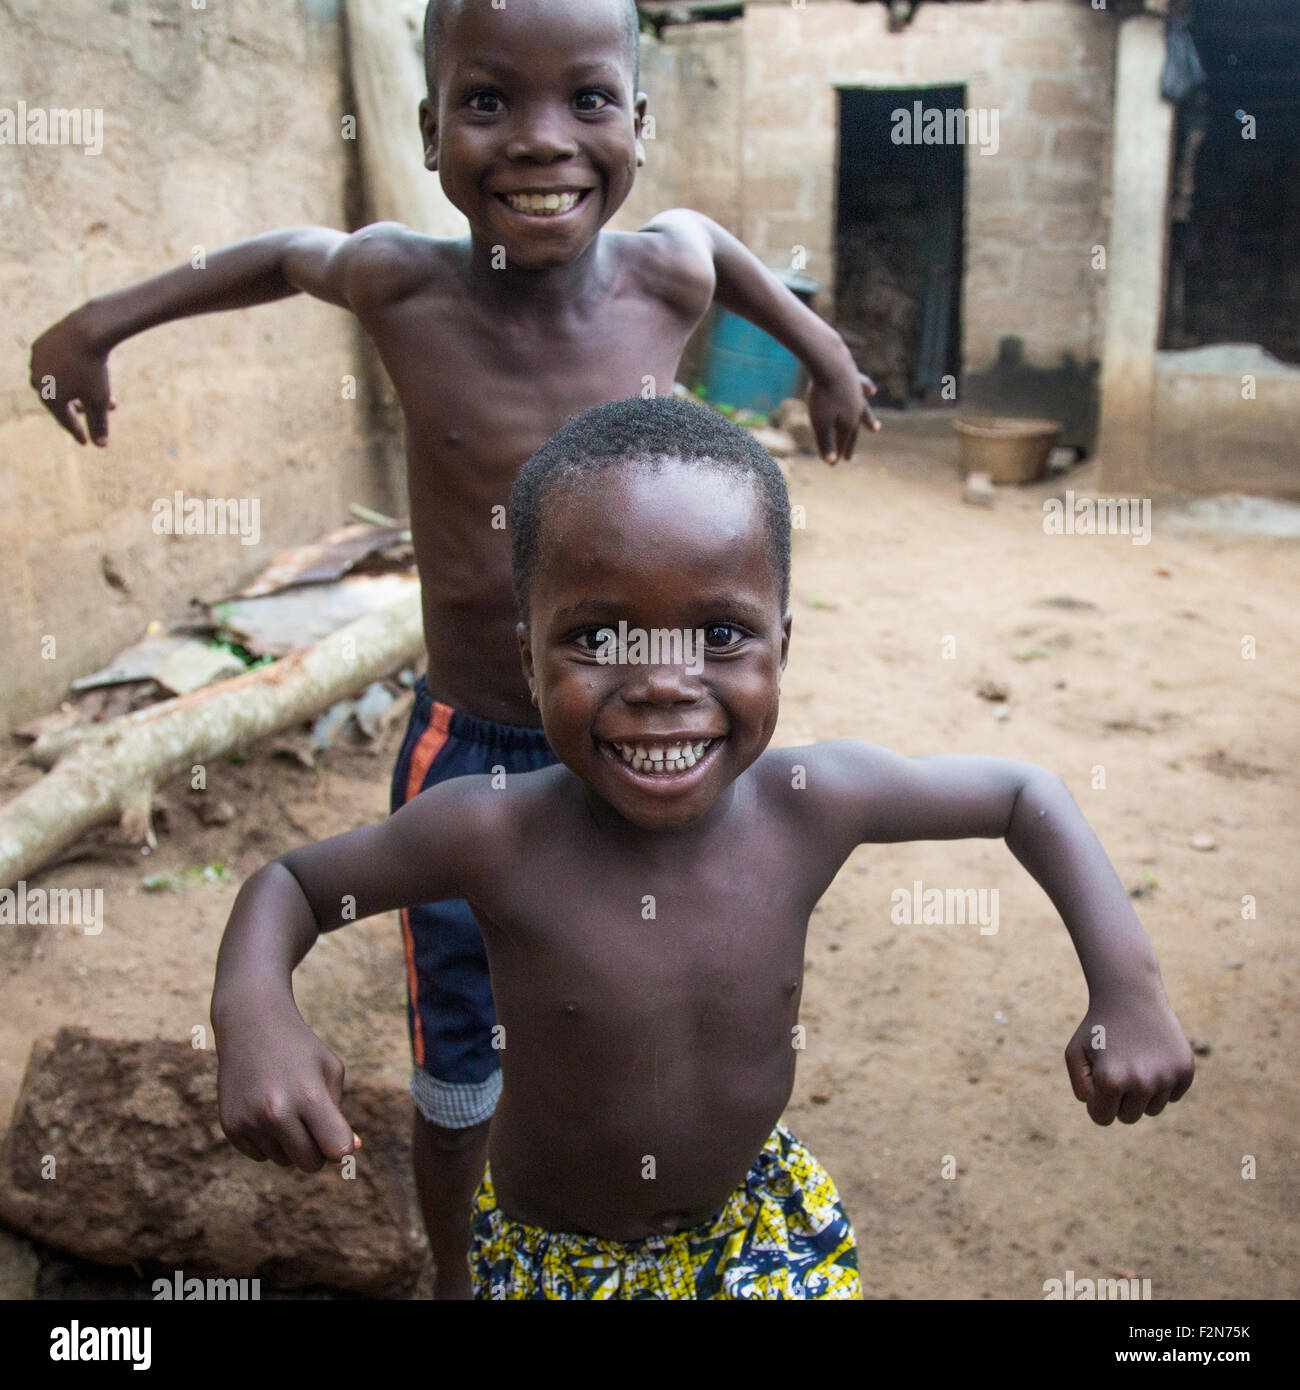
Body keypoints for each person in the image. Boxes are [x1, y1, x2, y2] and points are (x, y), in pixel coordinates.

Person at [27, 0, 879, 1296]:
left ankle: (649, 1186)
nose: (542, 141)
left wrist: (824, 356)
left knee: (645, 984)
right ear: (428, 130)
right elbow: (277, 253)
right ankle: (454, 1270)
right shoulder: (400, 282)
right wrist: (99, 321)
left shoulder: (671, 270)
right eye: (489, 102)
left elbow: (731, 258)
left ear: (641, 124)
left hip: (659, 735)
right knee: (460, 1051)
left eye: (589, 100)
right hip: (477, 745)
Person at [211, 396, 1195, 1300]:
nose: (661, 684)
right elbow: (293, 885)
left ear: (783, 643)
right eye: (599, 638)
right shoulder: (490, 829)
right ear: (527, 653)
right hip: (560, 1264)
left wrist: (1128, 984)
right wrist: (257, 1010)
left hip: (754, 1230)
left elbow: (1027, 793)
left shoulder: (812, 804)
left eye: (721, 632)